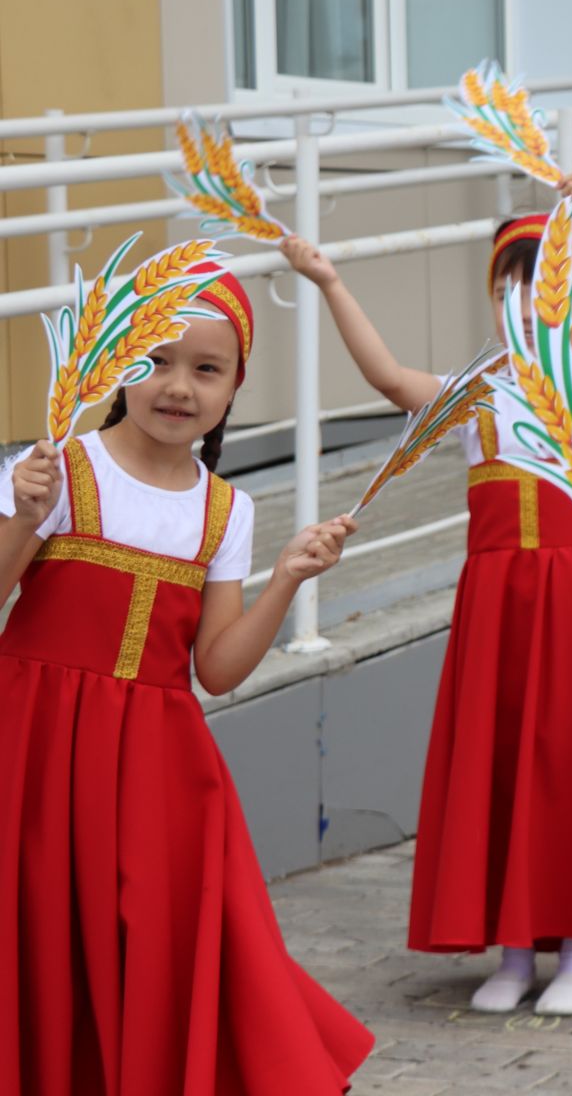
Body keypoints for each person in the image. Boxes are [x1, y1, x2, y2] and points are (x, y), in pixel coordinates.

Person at [280, 177, 572, 1017]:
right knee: (504, 768)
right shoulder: (480, 390)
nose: (523, 302)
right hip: (499, 610)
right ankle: (516, 952)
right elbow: (385, 378)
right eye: (507, 287)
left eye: (547, 284)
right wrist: (331, 283)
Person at [0, 261, 372, 1093]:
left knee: (161, 940)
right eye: (156, 361)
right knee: (35, 932)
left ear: (237, 384)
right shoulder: (58, 470)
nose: (178, 387)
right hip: (31, 745)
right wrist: (24, 520)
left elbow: (216, 669)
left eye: (206, 369)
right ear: (117, 367)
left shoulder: (225, 509)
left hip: (156, 770)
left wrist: (286, 581)